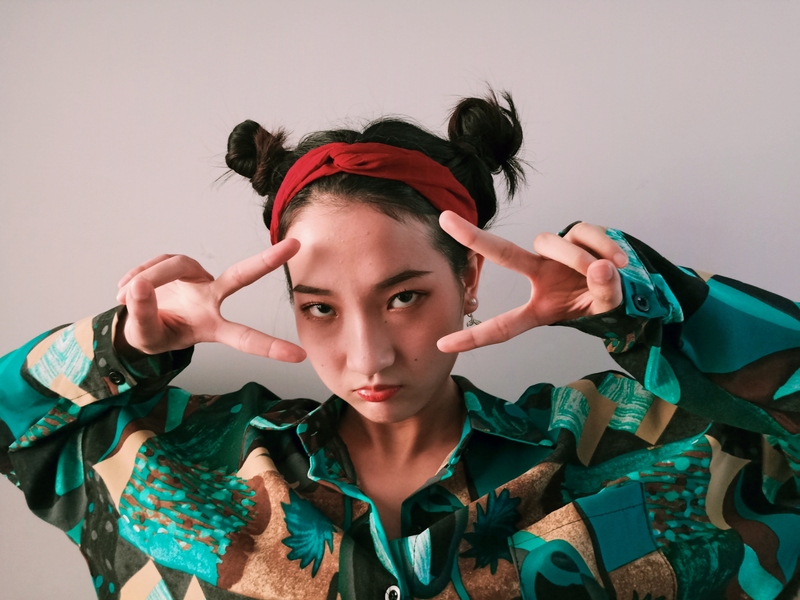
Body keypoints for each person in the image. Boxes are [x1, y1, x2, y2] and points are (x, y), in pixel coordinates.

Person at [1, 91, 798, 600]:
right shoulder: (194, 460)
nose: (369, 356)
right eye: (319, 308)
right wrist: (126, 347)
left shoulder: (618, 440)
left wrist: (653, 312)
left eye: (404, 297)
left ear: (470, 279)